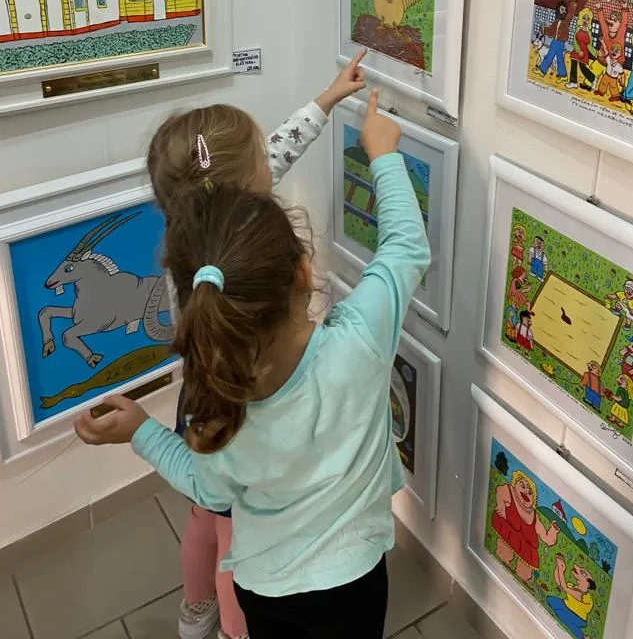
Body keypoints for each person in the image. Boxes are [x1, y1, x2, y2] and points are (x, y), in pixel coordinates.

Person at [74, 89, 431, 639]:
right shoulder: (360, 342)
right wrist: (384, 155)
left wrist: (142, 431)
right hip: (355, 577)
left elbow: (209, 490)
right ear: (304, 274)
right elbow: (405, 248)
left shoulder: (216, 411)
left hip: (264, 591)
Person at [142, 54, 368, 639]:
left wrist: (326, 99)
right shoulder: (233, 249)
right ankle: (234, 629)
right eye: (262, 160)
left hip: (201, 402)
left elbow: (277, 151)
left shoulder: (192, 242)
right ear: (244, 191)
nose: (272, 160)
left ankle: (194, 611)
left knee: (203, 511)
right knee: (233, 537)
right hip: (239, 404)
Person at [491, 471, 559, 584]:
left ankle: (523, 578)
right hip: (509, 533)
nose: (526, 492)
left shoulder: (534, 516)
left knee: (524, 571)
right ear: (515, 483)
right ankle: (502, 564)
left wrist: (553, 531)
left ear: (534, 500)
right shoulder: (510, 492)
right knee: (504, 552)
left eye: (530, 492)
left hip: (526, 548)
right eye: (522, 485)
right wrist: (501, 506)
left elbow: (547, 539)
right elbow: (499, 491)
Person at [546, 554, 596, 639]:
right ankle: (562, 613)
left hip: (577, 617)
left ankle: (582, 636)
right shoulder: (573, 586)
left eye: (583, 573)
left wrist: (561, 570)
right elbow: (559, 583)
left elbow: (564, 588)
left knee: (562, 616)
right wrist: (558, 567)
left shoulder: (584, 596)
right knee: (550, 599)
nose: (576, 567)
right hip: (566, 606)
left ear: (588, 584)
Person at [538, 0, 578, 83]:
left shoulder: (566, 21)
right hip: (555, 41)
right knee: (556, 58)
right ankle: (562, 75)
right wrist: (544, 30)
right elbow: (551, 31)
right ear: (558, 10)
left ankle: (543, 70)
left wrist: (574, 1)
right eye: (562, 9)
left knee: (552, 56)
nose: (564, 11)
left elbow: (571, 14)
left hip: (559, 43)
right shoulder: (556, 22)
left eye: (565, 10)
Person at [566, 9, 596, 91]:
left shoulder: (589, 32)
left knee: (582, 67)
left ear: (590, 21)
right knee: (573, 64)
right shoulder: (578, 28)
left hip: (584, 52)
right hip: (577, 50)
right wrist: (578, 50)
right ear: (580, 19)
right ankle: (573, 82)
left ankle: (593, 78)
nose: (585, 21)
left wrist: (596, 53)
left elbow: (589, 45)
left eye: (588, 19)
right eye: (584, 18)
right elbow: (574, 41)